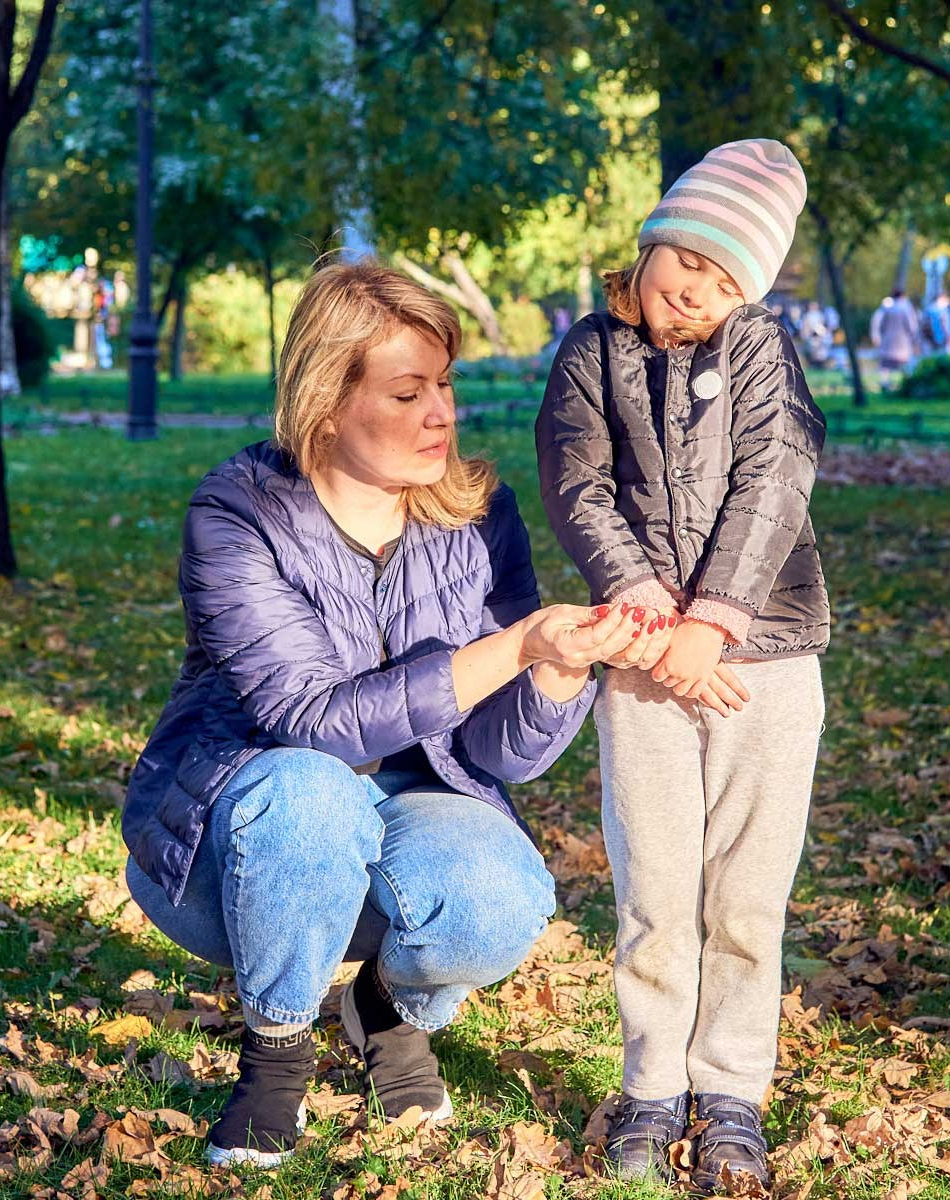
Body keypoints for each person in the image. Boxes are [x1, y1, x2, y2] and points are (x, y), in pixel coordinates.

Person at [122, 261, 642, 1168]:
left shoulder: (480, 515)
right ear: (326, 403)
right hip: (233, 845)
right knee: (311, 791)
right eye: (407, 393)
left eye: (444, 384)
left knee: (500, 900)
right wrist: (511, 648)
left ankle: (387, 1009)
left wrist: (557, 671)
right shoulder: (237, 513)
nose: (440, 414)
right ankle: (276, 1057)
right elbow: (311, 720)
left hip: (411, 809)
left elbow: (501, 756)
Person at [536, 139, 830, 1194]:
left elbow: (775, 475)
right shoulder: (591, 350)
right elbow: (575, 480)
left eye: (725, 279)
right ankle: (653, 1084)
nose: (696, 292)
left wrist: (715, 621)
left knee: (746, 898)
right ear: (653, 241)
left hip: (766, 661)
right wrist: (651, 612)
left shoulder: (760, 348)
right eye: (688, 262)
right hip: (642, 659)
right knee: (657, 893)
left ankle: (732, 1091)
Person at [875, 287, 920, 391]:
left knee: (885, 364)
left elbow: (882, 326)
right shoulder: (906, 309)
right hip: (902, 342)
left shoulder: (888, 309)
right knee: (905, 363)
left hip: (888, 341)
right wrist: (915, 339)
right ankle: (907, 384)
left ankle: (884, 383)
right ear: (903, 296)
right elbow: (912, 327)